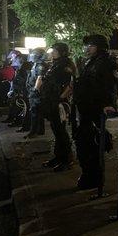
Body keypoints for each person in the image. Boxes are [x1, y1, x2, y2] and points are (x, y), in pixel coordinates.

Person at [73, 35, 117, 189]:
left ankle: (93, 179)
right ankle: (90, 176)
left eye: (91, 45)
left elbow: (108, 87)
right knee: (85, 145)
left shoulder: (103, 63)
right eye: (87, 45)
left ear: (99, 47)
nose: (87, 48)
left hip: (94, 112)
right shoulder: (91, 62)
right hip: (86, 110)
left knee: (91, 146)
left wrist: (106, 105)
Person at [41, 43, 76, 172]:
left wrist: (61, 98)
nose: (52, 52)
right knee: (56, 130)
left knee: (61, 131)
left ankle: (67, 159)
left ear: (62, 52)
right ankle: (58, 157)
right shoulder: (55, 64)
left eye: (54, 50)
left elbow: (70, 84)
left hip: (60, 103)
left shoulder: (65, 65)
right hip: (52, 102)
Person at [25, 48, 47, 138]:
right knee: (39, 112)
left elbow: (40, 78)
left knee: (34, 112)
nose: (32, 56)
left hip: (36, 93)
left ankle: (33, 131)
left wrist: (35, 89)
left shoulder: (40, 66)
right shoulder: (35, 64)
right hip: (34, 91)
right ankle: (40, 130)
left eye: (34, 54)